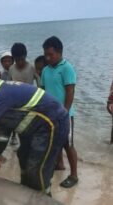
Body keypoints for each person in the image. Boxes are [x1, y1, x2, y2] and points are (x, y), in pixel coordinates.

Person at [0, 80, 69, 195]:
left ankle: (43, 197)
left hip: (52, 124)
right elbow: (4, 129)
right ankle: (27, 192)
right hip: (35, 127)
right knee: (23, 156)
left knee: (36, 169)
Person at [41, 36, 78, 188]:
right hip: (50, 114)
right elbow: (43, 91)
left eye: (51, 54)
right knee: (55, 141)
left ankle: (74, 175)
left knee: (68, 145)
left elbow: (70, 92)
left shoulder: (67, 68)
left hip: (65, 114)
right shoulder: (45, 70)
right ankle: (60, 165)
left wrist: (64, 112)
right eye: (46, 55)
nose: (48, 58)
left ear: (60, 52)